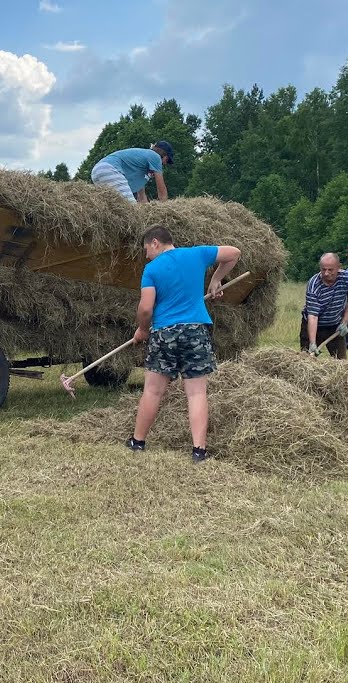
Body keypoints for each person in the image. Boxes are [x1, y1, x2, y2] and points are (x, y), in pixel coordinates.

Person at [125, 225, 241, 463]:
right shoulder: (196, 254)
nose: (146, 255)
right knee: (197, 392)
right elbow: (234, 253)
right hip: (195, 331)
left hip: (164, 333)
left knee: (153, 390)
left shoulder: (152, 269)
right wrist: (216, 280)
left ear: (155, 242)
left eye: (147, 249)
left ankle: (138, 442)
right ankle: (199, 450)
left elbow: (146, 308)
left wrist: (142, 330)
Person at [300, 253, 348, 359]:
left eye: (330, 270)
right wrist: (312, 342)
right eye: (323, 269)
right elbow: (313, 316)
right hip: (313, 326)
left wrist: (344, 322)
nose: (326, 273)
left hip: (335, 326)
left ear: (339, 267)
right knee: (307, 361)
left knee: (341, 361)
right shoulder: (314, 285)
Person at [90, 140, 174, 203]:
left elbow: (141, 197)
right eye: (167, 161)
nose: (165, 164)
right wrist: (164, 211)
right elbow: (162, 191)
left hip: (98, 171)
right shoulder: (155, 156)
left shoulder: (141, 166)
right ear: (165, 156)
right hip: (109, 169)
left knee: (116, 208)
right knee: (131, 210)